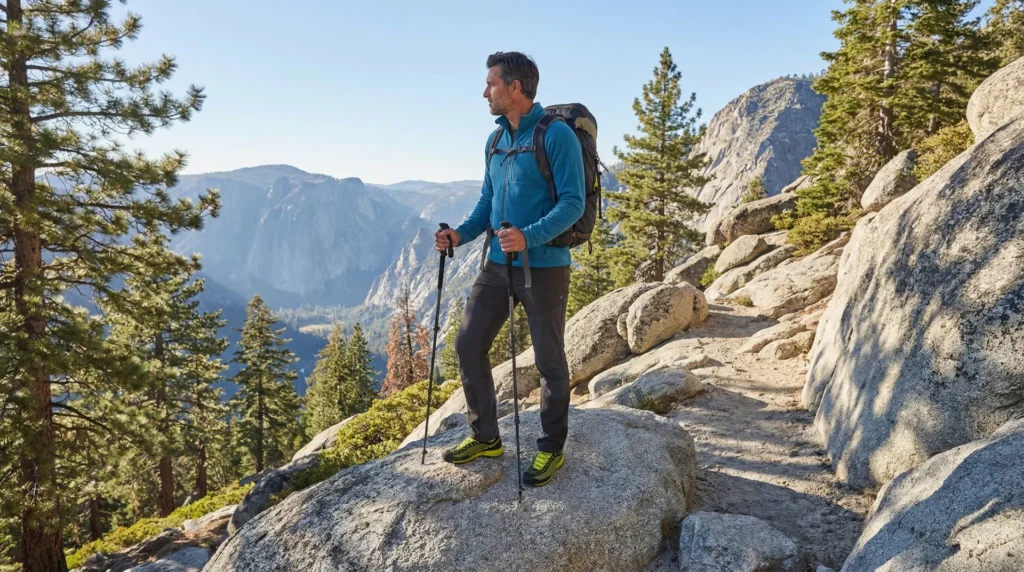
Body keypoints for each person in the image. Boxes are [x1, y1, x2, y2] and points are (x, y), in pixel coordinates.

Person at [434, 51, 585, 487]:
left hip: (544, 267)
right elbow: (488, 203)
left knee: (549, 362)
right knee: (467, 343)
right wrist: (459, 236)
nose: (485, 92)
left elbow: (573, 203)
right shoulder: (495, 141)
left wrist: (529, 236)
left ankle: (551, 449)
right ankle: (486, 436)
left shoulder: (556, 136)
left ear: (515, 88)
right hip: (498, 264)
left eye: (491, 84)